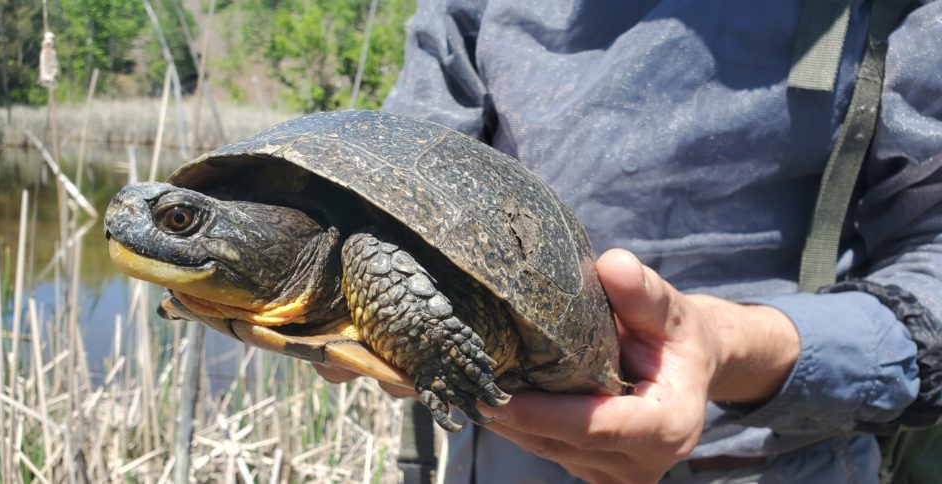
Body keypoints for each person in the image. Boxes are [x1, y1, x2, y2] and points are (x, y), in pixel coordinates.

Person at [316, 0, 942, 482]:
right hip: (501, 455)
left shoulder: (897, 14)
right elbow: (389, 193)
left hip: (768, 461)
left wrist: (728, 348)